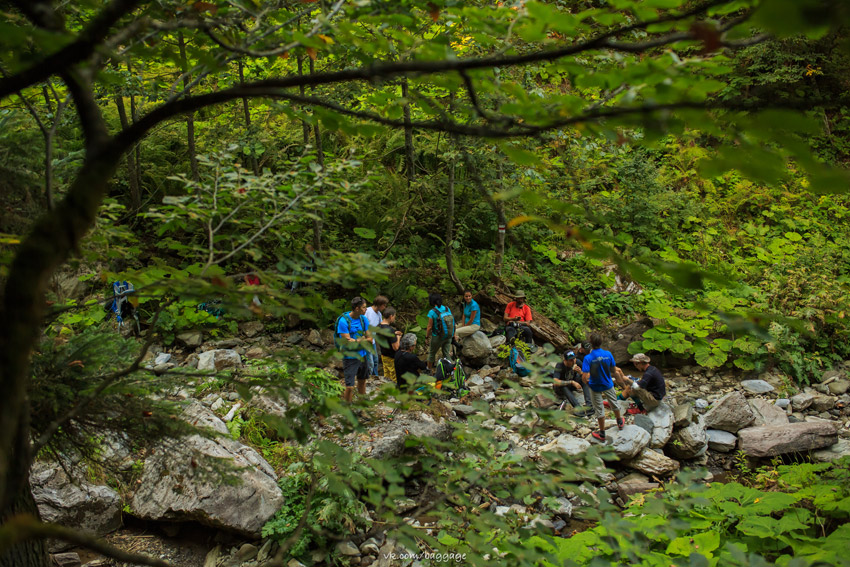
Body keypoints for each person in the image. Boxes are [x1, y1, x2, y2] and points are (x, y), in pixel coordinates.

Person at [581, 333, 625, 441]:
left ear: (591, 343)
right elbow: (614, 370)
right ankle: (619, 421)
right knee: (613, 402)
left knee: (599, 409)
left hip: (595, 386)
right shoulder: (608, 354)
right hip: (608, 383)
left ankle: (602, 433)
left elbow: (584, 377)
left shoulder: (588, 358)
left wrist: (588, 384)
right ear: (601, 342)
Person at [336, 296, 372, 403]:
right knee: (350, 386)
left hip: (362, 354)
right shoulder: (343, 321)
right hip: (349, 357)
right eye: (364, 307)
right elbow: (346, 341)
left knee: (362, 381)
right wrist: (360, 341)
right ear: (357, 308)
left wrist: (355, 340)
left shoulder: (363, 319)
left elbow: (370, 339)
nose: (366, 309)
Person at [552, 351, 593, 416]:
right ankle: (578, 408)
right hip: (561, 387)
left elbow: (589, 375)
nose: (573, 361)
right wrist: (571, 382)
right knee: (563, 386)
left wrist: (581, 373)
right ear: (565, 360)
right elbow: (555, 382)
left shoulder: (577, 362)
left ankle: (589, 406)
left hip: (572, 385)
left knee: (584, 380)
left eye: (574, 359)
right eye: (571, 360)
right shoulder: (560, 365)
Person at [425, 293, 454, 371]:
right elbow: (452, 323)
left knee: (431, 354)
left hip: (437, 337)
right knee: (446, 354)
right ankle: (452, 370)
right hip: (448, 336)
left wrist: (426, 337)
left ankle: (428, 371)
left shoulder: (432, 312)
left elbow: (429, 327)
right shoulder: (447, 308)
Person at [377, 307, 402, 384]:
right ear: (391, 316)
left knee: (386, 376)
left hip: (383, 355)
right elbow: (395, 347)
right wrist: (398, 337)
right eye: (394, 316)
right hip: (392, 357)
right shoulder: (390, 330)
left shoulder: (378, 326)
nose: (394, 319)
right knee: (394, 376)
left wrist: (393, 334)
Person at [365, 295, 388, 378]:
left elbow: (380, 326)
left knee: (375, 361)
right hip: (366, 341)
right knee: (370, 362)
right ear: (379, 304)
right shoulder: (367, 311)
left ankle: (376, 378)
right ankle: (368, 380)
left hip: (373, 341)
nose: (385, 307)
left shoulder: (379, 314)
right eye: (384, 305)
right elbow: (362, 324)